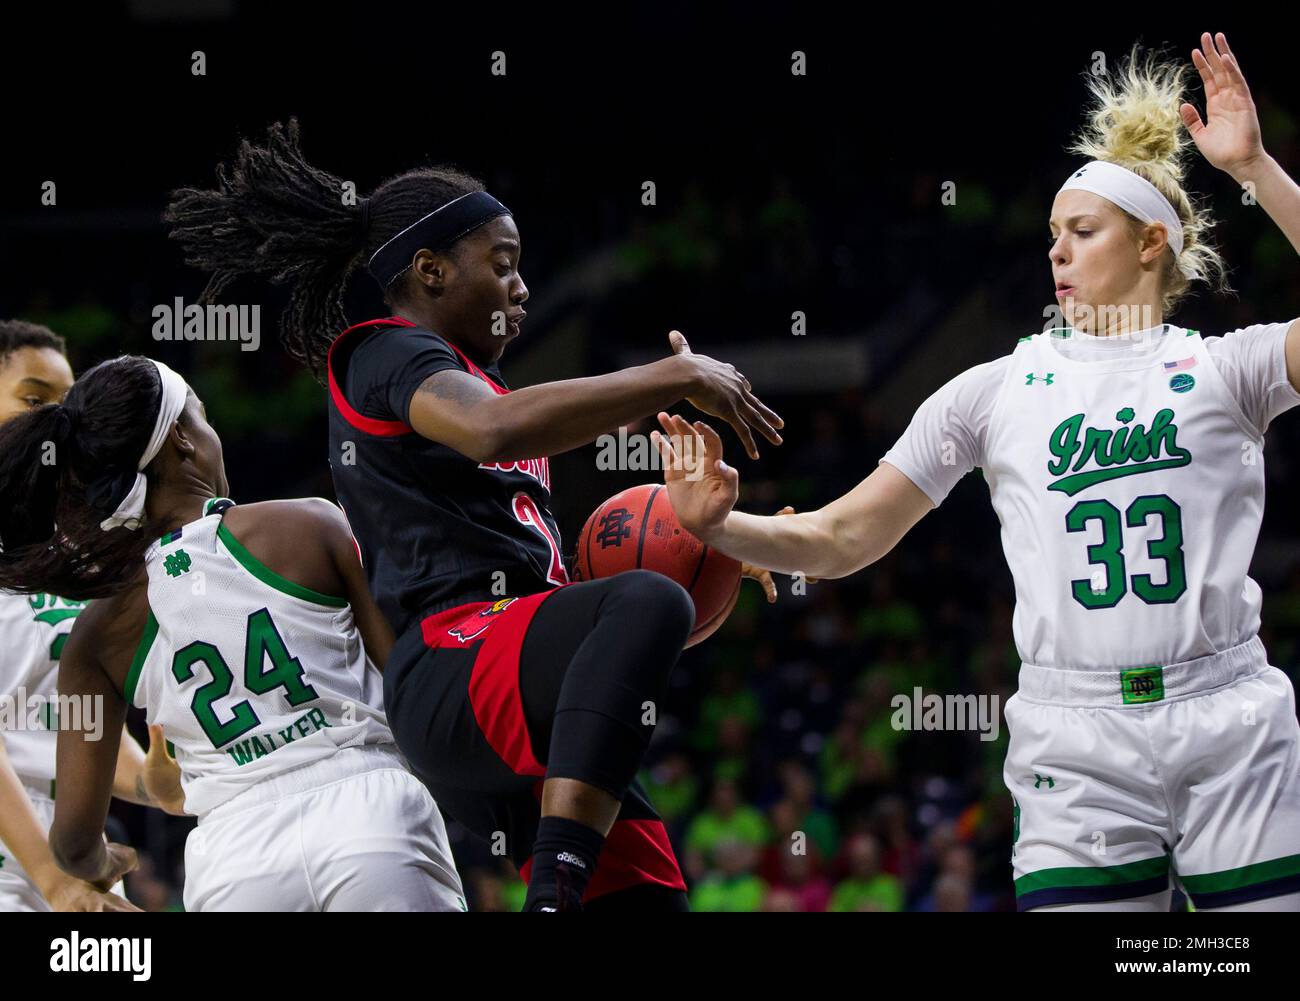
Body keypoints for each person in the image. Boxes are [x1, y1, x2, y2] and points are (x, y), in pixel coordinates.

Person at [653, 35, 1300, 911]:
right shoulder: (992, 391)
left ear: (1153, 242)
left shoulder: (1231, 368)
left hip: (1228, 711)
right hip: (1074, 733)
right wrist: (722, 527)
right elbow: (845, 534)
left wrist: (1257, 168)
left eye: (1081, 231)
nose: (1057, 254)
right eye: (1051, 237)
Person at [165, 122, 786, 910]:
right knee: (647, 601)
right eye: (503, 265)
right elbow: (496, 429)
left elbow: (553, 533)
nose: (521, 287)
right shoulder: (384, 353)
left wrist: (724, 539)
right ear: (429, 270)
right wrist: (673, 373)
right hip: (453, 662)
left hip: (524, 685)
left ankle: (562, 881)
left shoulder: (480, 385)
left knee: (650, 893)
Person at [0, 354, 465, 911]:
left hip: (231, 859)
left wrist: (106, 863)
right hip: (369, 812)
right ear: (182, 439)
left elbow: (74, 841)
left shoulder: (96, 633)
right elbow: (413, 691)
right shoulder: (307, 524)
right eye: (203, 416)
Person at [0, 320, 184, 913]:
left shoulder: (81, 550)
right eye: (33, 399)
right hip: (33, 864)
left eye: (65, 406)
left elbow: (77, 725)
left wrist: (149, 784)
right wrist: (52, 881)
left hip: (76, 862)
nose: (55, 422)